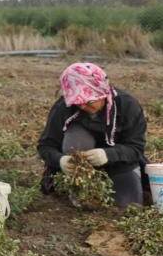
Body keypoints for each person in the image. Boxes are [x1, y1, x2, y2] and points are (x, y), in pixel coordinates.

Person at [38, 62, 146, 208]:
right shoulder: (64, 108)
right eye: (78, 101)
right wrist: (61, 161)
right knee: (76, 139)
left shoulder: (127, 106)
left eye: (88, 101)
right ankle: (77, 186)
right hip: (77, 168)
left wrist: (107, 155)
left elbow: (136, 149)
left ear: (103, 92)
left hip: (119, 164)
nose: (82, 106)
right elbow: (46, 146)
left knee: (128, 206)